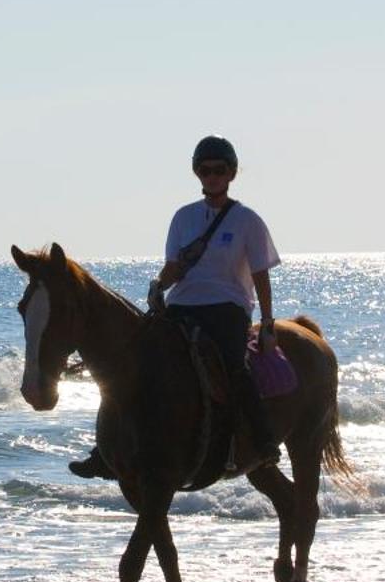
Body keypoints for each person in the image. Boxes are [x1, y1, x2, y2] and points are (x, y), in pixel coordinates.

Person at [69, 135, 282, 478]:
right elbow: (173, 268)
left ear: (231, 174)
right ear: (197, 174)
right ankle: (106, 449)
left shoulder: (248, 221)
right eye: (205, 170)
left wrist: (268, 321)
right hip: (182, 303)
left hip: (228, 307)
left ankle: (263, 440)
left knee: (234, 367)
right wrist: (159, 285)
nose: (212, 176)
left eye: (219, 170)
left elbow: (260, 275)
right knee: (133, 361)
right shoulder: (183, 218)